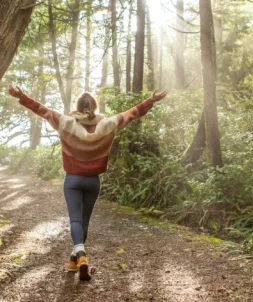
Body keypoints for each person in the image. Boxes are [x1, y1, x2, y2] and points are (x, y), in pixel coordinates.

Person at [8, 84, 167, 281]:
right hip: (93, 182)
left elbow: (41, 110)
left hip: (72, 180)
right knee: (84, 222)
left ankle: (80, 254)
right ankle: (74, 261)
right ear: (95, 106)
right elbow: (131, 114)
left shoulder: (65, 122)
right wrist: (150, 101)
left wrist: (21, 96)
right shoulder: (108, 124)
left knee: (75, 220)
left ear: (77, 106)